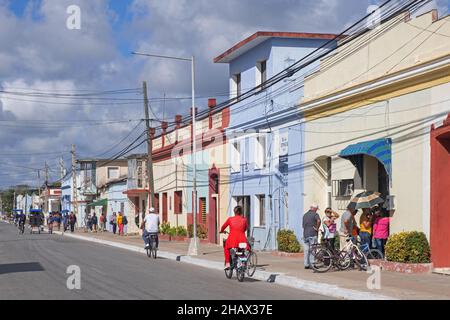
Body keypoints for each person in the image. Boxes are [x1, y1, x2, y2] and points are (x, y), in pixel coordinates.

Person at [220, 206, 250, 270]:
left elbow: (223, 227)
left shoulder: (230, 219)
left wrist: (222, 231)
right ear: (241, 212)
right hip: (242, 239)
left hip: (232, 239)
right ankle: (243, 263)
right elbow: (246, 228)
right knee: (242, 250)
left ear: (234, 212)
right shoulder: (244, 219)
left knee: (226, 248)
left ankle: (227, 263)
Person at [302, 204, 321, 269]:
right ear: (315, 209)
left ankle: (306, 264)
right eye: (316, 209)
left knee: (306, 250)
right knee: (313, 249)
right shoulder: (315, 214)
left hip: (305, 234)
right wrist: (317, 228)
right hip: (312, 234)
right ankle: (312, 264)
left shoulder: (305, 215)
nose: (316, 211)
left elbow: (303, 226)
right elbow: (318, 220)